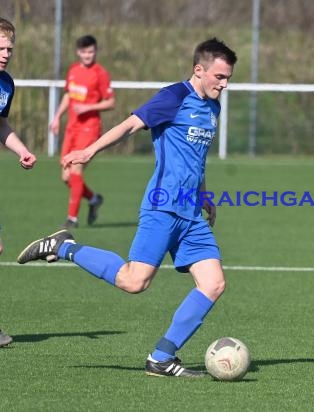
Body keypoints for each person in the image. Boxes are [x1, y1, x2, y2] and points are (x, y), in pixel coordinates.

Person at [18, 37, 237, 377]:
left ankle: (162, 357)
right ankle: (65, 247)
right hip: (162, 206)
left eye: (228, 79)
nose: (223, 85)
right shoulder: (174, 97)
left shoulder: (213, 107)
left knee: (213, 283)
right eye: (219, 78)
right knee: (135, 282)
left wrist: (204, 194)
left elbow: (198, 157)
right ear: (199, 69)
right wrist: (89, 151)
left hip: (191, 214)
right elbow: (130, 124)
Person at [50, 34, 115, 229]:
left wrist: (88, 107)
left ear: (95, 52)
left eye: (91, 51)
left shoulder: (100, 73)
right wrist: (56, 117)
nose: (88, 55)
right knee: (66, 176)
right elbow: (69, 95)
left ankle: (72, 218)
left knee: (76, 169)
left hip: (90, 128)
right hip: (72, 128)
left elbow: (111, 102)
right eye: (84, 52)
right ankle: (94, 199)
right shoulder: (73, 70)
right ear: (79, 52)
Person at [0, 17, 37, 348]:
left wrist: (21, 149)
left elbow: (1, 126)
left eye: (9, 47)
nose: (5, 53)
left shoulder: (6, 84)